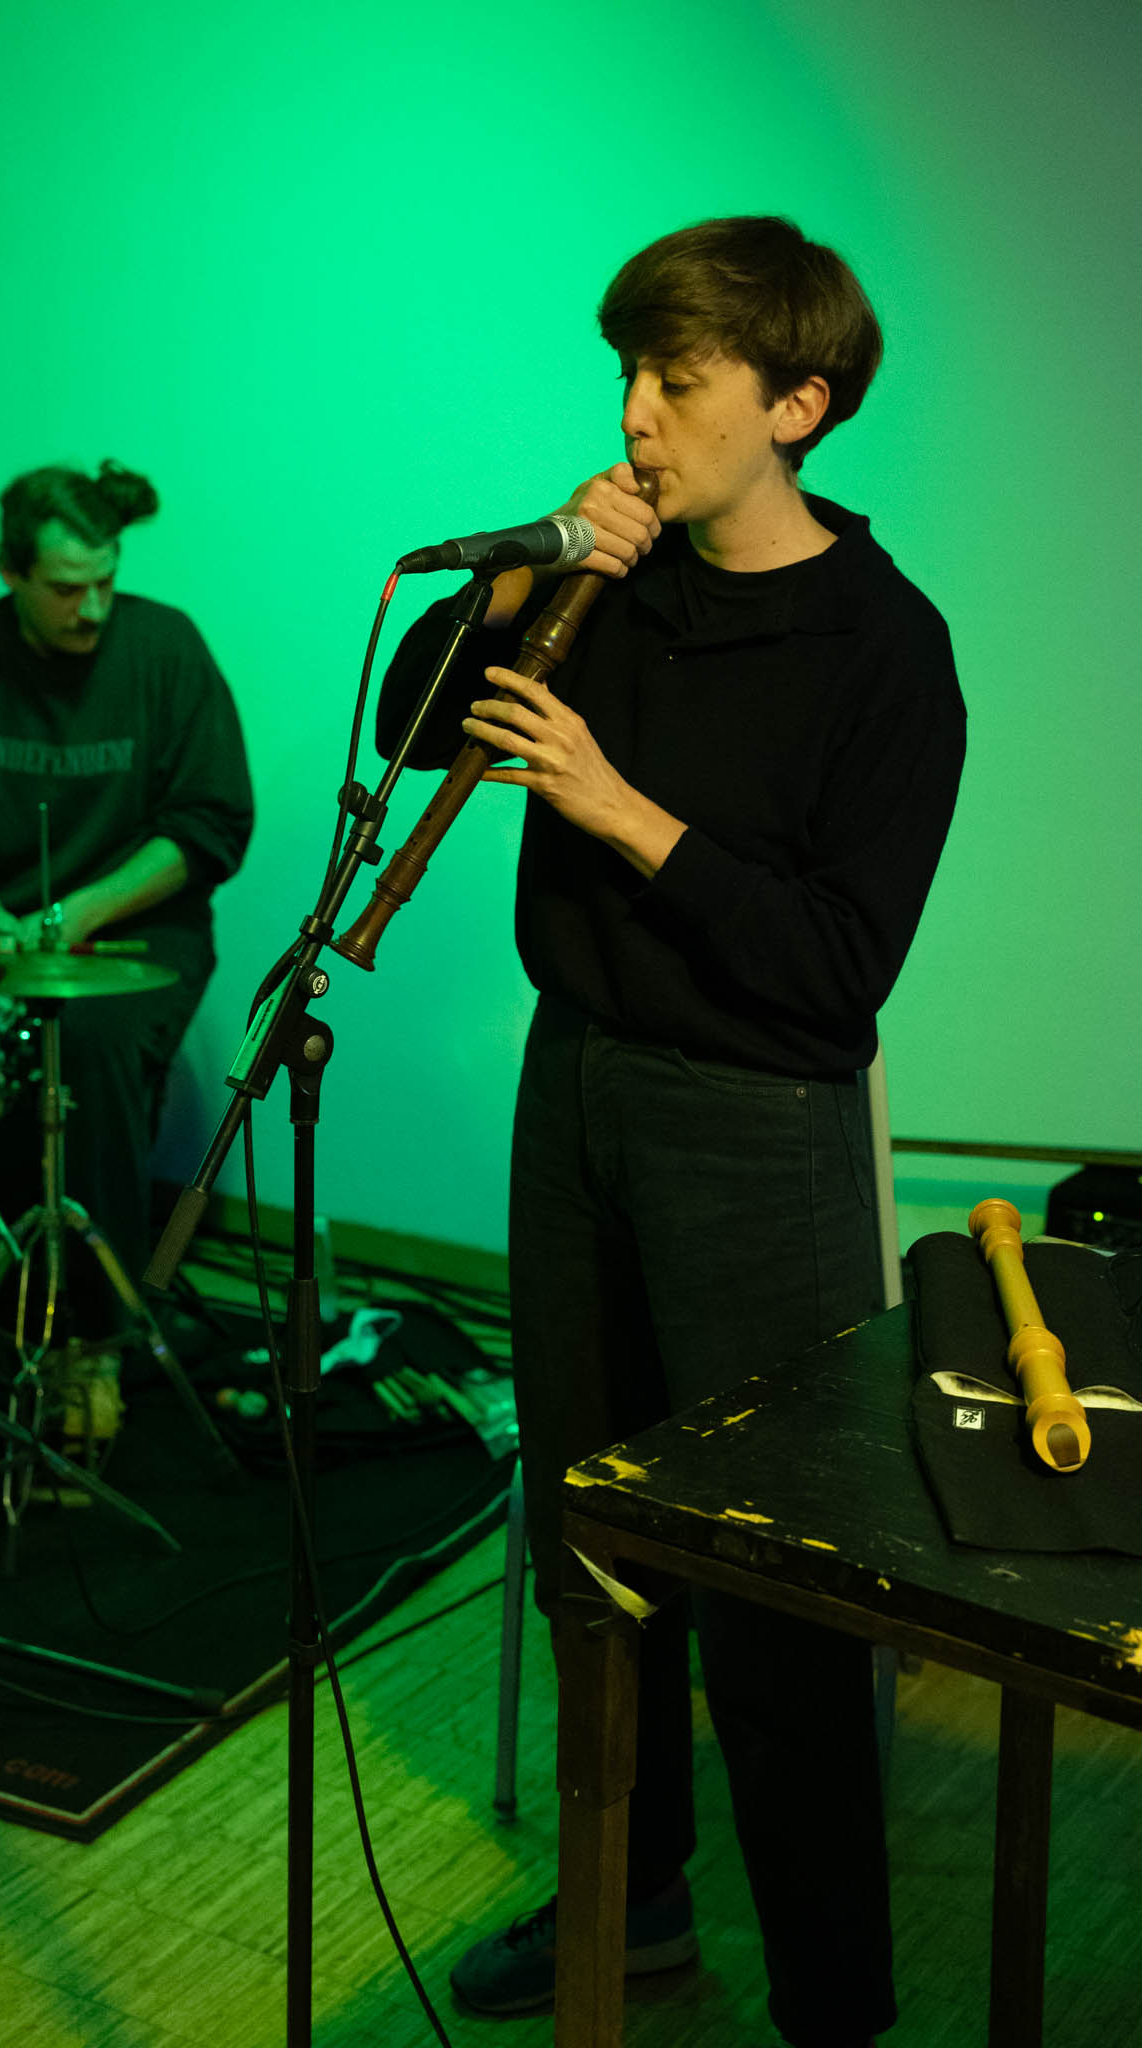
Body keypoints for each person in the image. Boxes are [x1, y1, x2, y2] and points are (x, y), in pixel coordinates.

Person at [376, 217, 965, 2048]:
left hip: (758, 1136)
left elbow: (837, 973)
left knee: (780, 1594)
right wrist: (516, 588)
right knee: (586, 1536)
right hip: (580, 1095)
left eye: (676, 381)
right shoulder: (614, 587)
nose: (636, 416)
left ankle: (832, 1999)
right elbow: (413, 733)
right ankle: (628, 1905)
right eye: (627, 376)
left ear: (796, 405)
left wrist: (624, 812)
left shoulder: (885, 646)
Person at [0, 461, 253, 1437]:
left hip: (133, 932)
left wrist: (77, 912)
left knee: (84, 1049)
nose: (91, 607)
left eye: (105, 581)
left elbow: (210, 821)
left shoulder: (166, 646)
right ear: (11, 572)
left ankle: (91, 1342)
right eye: (65, 587)